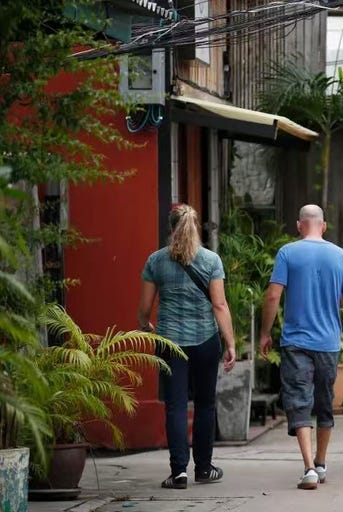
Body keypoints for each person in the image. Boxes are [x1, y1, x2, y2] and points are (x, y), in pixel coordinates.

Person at [137, 203, 237, 490]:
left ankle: (178, 472)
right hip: (206, 340)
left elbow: (144, 308)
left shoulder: (156, 261)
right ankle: (204, 468)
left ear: (170, 229)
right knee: (205, 404)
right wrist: (230, 342)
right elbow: (219, 304)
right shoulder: (211, 260)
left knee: (176, 406)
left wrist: (146, 326)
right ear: (196, 228)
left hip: (170, 342)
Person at [259, 204, 343, 491]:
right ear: (323, 226)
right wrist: (329, 300)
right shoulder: (340, 255)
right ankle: (322, 462)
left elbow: (272, 296)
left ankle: (309, 469)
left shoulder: (288, 253)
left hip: (296, 342)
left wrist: (265, 333)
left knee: (299, 401)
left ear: (299, 225)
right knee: (325, 402)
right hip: (328, 343)